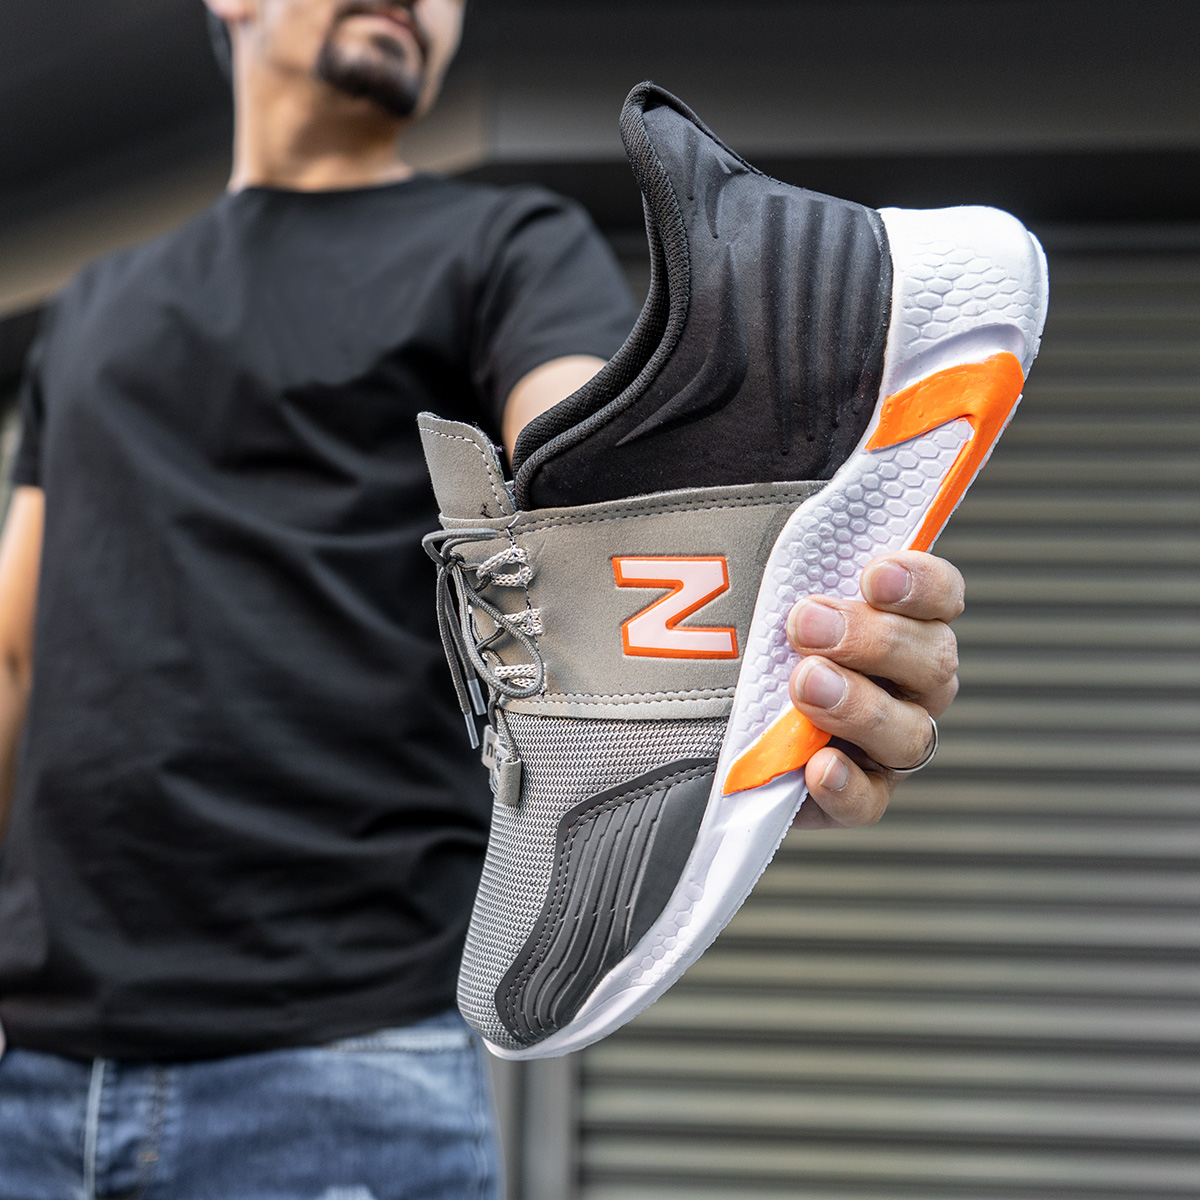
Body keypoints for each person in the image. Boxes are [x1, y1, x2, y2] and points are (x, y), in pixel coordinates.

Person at [0, 1, 966, 1195]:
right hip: (27, 1062)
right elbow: (15, 654)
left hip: (340, 1065)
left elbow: (587, 474)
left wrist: (738, 655)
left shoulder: (504, 245)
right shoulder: (90, 308)